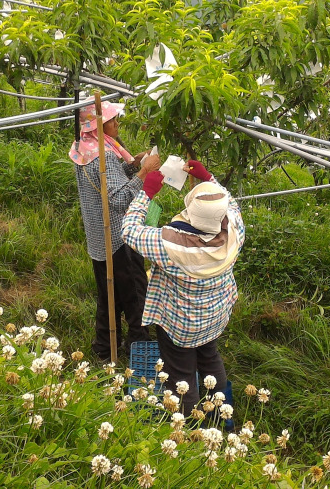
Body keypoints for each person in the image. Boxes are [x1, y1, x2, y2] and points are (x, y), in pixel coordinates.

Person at [121, 160, 244, 418]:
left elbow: (130, 231)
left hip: (181, 325)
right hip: (214, 315)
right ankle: (222, 417)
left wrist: (146, 194)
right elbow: (229, 203)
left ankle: (188, 429)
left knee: (181, 375)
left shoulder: (173, 246)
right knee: (210, 358)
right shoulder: (234, 229)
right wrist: (208, 178)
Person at [71, 101, 161, 363]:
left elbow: (108, 179)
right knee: (135, 293)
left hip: (99, 237)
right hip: (119, 237)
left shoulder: (85, 148)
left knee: (108, 293)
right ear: (99, 125)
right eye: (113, 120)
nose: (117, 124)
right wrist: (145, 172)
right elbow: (119, 199)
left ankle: (104, 347)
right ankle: (139, 349)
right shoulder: (104, 154)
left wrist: (133, 164)